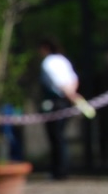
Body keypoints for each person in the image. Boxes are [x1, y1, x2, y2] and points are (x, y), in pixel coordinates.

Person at [38, 38, 89, 180]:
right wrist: (74, 97)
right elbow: (73, 79)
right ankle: (61, 170)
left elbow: (59, 83)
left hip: (56, 103)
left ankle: (59, 171)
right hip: (67, 101)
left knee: (56, 137)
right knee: (60, 137)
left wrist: (73, 97)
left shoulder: (48, 62)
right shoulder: (63, 60)